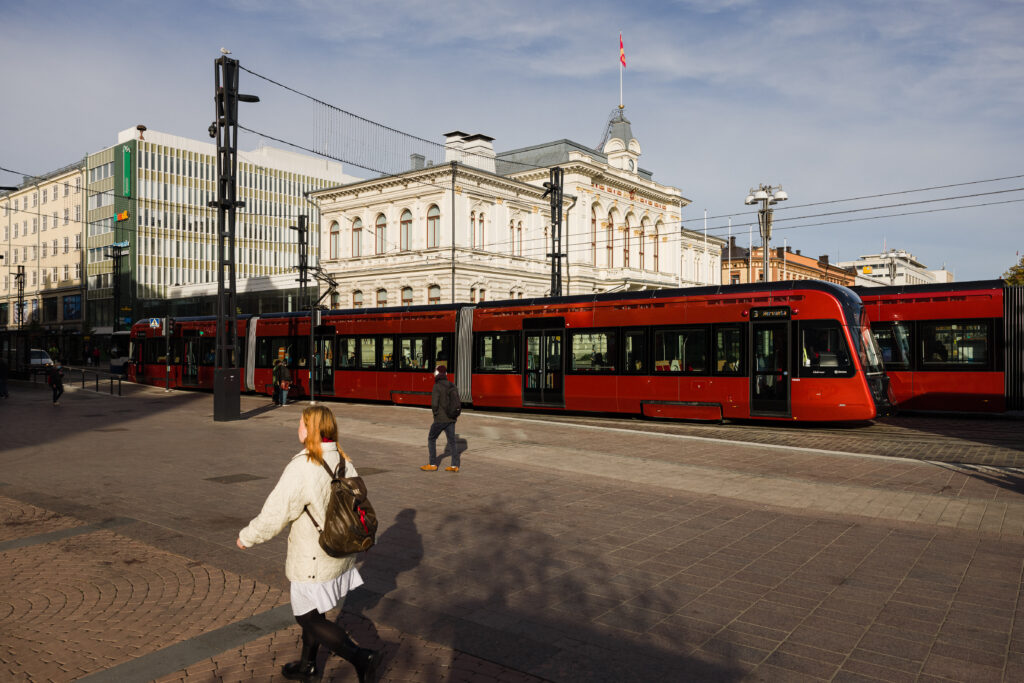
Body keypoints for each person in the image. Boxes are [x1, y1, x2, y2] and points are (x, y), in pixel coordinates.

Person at [237, 406, 383, 682]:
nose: (298, 428)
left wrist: (247, 536)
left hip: (313, 557)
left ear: (312, 429)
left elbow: (277, 511)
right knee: (316, 609)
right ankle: (308, 665)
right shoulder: (342, 459)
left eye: (301, 423)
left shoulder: (303, 466)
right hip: (339, 549)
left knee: (307, 617)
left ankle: (360, 657)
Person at [421, 365, 460, 473]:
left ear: (437, 374)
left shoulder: (437, 386)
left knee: (431, 439)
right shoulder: (452, 385)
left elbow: (434, 404)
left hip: (440, 419)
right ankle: (454, 466)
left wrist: (436, 414)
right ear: (446, 374)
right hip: (451, 418)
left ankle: (432, 464)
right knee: (452, 441)